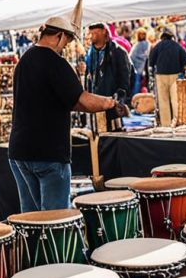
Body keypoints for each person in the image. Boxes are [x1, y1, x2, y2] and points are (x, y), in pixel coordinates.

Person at [10, 16, 119, 212]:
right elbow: (83, 99)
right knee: (56, 221)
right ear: (59, 36)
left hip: (19, 152)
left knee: (31, 221)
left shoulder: (24, 60)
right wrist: (109, 103)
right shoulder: (55, 63)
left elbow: (69, 100)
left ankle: (33, 245)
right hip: (48, 153)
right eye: (67, 41)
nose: (66, 46)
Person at [85, 22, 131, 127]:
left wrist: (118, 98)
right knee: (97, 135)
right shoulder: (90, 53)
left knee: (114, 135)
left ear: (104, 32)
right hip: (95, 102)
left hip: (112, 102)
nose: (91, 36)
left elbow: (125, 79)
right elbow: (89, 75)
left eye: (95, 33)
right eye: (90, 33)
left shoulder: (118, 52)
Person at [148, 25, 186, 127]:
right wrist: (181, 69)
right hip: (175, 75)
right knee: (175, 101)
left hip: (161, 75)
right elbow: (185, 58)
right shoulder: (177, 46)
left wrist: (152, 72)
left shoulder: (158, 46)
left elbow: (151, 60)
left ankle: (165, 124)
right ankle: (176, 122)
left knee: (163, 101)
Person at [130, 28, 150, 94]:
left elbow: (133, 56)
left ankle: (135, 95)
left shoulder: (141, 44)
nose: (142, 36)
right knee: (137, 81)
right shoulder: (143, 44)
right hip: (139, 66)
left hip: (137, 66)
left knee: (137, 82)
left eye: (143, 34)